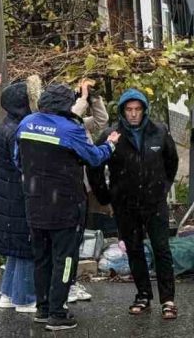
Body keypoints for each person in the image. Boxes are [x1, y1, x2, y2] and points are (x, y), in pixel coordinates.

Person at [14, 83, 120, 331]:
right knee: (65, 259)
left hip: (35, 203)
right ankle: (58, 313)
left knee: (42, 258)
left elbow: (18, 160)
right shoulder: (70, 129)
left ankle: (42, 308)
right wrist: (111, 144)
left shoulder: (26, 123)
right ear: (66, 106)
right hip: (65, 206)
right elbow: (94, 157)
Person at [88, 89, 179, 321]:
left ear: (144, 110)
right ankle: (143, 295)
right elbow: (94, 164)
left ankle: (168, 299)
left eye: (138, 109)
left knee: (161, 249)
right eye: (129, 110)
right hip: (125, 204)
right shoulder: (112, 135)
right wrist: (105, 196)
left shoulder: (159, 132)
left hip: (154, 202)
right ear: (122, 111)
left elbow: (172, 162)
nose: (133, 114)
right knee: (135, 249)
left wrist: (163, 187)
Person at [0, 81, 36, 313]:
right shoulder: (19, 130)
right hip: (19, 198)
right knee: (26, 245)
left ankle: (8, 293)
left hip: (8, 196)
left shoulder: (6, 125)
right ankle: (26, 298)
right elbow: (24, 165)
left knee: (15, 248)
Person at [70, 77, 110, 305]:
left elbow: (101, 120)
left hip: (81, 188)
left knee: (75, 238)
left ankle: (70, 283)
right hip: (69, 190)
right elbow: (95, 155)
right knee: (68, 240)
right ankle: (66, 286)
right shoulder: (65, 125)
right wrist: (82, 98)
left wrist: (93, 98)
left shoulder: (78, 124)